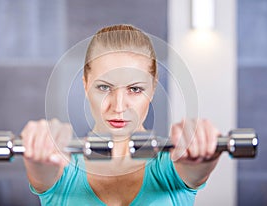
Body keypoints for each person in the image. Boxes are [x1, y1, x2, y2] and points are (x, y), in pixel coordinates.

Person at [21, 24, 221, 205]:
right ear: (85, 85)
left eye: (134, 89)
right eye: (104, 87)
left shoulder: (171, 165)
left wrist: (203, 150)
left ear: (152, 89)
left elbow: (196, 169)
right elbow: (43, 171)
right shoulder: (61, 168)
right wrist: (40, 148)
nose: (118, 107)